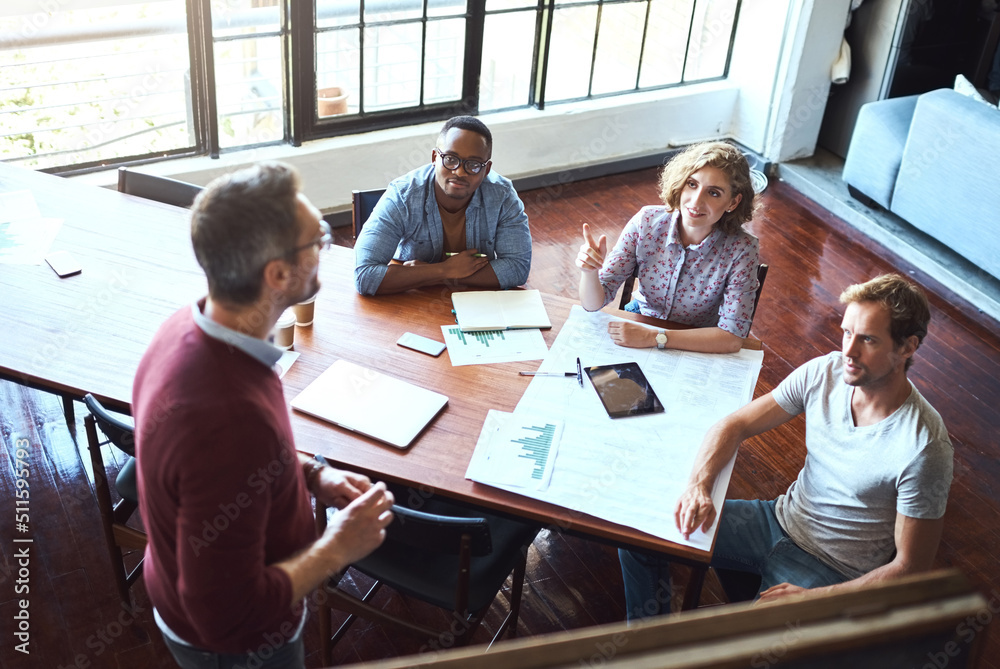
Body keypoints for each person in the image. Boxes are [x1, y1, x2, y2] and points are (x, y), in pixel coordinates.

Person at [133, 162, 395, 668]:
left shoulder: (189, 325)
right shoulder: (227, 418)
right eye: (316, 238)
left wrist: (311, 474)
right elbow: (228, 616)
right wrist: (339, 547)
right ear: (277, 274)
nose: (325, 246)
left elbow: (230, 468)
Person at [619, 274, 953, 620]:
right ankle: (647, 648)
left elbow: (909, 569)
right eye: (847, 332)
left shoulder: (925, 447)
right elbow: (734, 424)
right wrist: (698, 487)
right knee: (639, 536)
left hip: (831, 569)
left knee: (736, 648)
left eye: (868, 339)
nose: (848, 351)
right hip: (776, 520)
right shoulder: (826, 372)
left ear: (907, 347)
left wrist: (816, 598)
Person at [576, 141, 760, 353]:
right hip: (640, 320)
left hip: (697, 339)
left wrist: (654, 337)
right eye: (692, 184)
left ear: (733, 203)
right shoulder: (646, 221)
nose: (696, 201)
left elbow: (731, 338)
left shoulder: (743, 249)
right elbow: (593, 305)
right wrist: (589, 272)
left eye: (714, 193)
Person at [354, 115, 531, 295]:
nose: (460, 172)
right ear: (434, 157)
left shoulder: (503, 196)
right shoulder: (403, 195)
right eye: (450, 159)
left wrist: (435, 275)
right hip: (411, 297)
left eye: (474, 164)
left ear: (486, 170)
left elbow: (517, 267)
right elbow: (365, 276)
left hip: (472, 300)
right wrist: (444, 270)